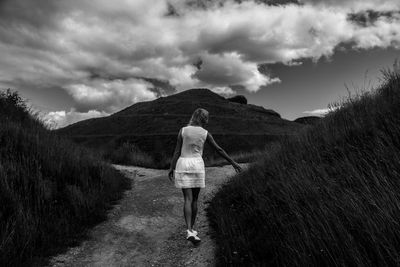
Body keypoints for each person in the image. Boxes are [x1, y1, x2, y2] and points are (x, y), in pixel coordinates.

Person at [168, 108, 242, 244]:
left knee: (187, 199)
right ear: (204, 119)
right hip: (197, 165)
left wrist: (172, 167)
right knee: (195, 200)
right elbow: (219, 149)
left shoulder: (183, 130)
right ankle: (192, 230)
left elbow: (177, 151)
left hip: (183, 164)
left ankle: (189, 230)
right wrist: (233, 162)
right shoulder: (205, 133)